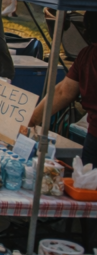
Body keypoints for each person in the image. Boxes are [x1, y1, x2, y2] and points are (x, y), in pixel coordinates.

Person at [30, 12, 96, 163]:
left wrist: (32, 119)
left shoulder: (87, 55)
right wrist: (33, 119)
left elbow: (63, 92)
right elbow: (63, 92)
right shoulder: (86, 55)